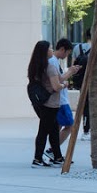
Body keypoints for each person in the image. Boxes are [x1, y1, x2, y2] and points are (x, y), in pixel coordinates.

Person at [27, 40, 62, 168]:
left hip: (40, 102)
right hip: (50, 103)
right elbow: (56, 86)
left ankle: (58, 157)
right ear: (45, 51)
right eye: (50, 48)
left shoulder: (36, 66)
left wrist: (69, 74)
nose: (52, 50)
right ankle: (37, 159)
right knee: (44, 131)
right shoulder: (50, 66)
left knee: (53, 130)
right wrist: (64, 85)